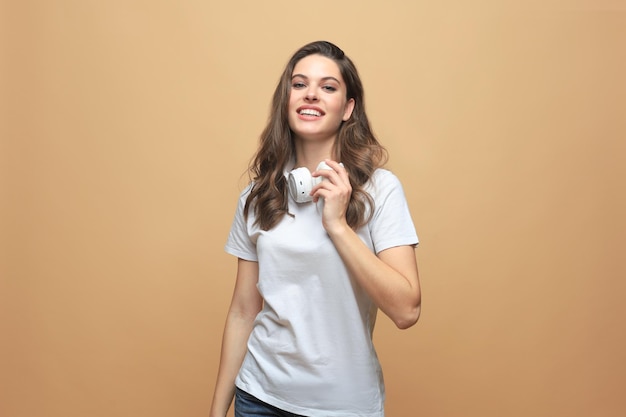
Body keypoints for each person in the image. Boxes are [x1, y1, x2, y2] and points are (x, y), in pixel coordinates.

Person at [209, 40, 421, 417]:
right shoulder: (258, 196)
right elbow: (243, 310)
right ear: (286, 99)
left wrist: (337, 225)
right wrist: (216, 410)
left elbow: (406, 309)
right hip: (259, 398)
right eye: (299, 84)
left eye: (328, 87)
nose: (311, 95)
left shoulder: (380, 189)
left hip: (343, 406)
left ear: (348, 108)